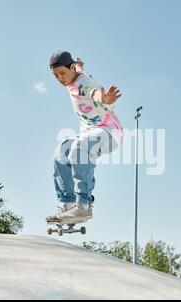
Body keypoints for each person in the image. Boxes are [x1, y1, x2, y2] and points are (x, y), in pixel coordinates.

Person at [46, 50, 124, 225]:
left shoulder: (84, 83)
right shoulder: (76, 73)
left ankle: (84, 205)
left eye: (62, 73)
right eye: (55, 75)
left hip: (110, 133)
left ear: (71, 68)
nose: (60, 79)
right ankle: (68, 205)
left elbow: (94, 92)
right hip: (91, 133)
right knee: (61, 153)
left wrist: (104, 98)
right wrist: (80, 66)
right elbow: (79, 70)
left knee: (80, 147)